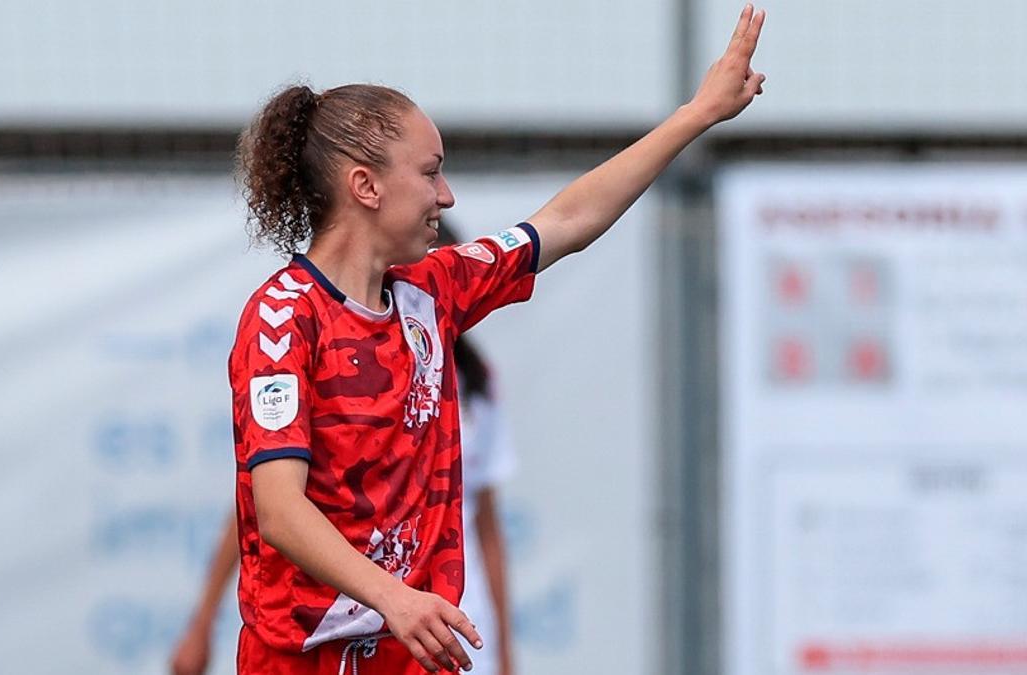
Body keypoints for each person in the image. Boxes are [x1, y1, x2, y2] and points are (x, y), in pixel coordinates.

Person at [227, 7, 765, 674]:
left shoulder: (434, 289)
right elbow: (279, 508)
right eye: (429, 172)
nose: (446, 196)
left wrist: (697, 114)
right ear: (364, 186)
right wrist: (393, 596)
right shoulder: (282, 319)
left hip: (412, 652)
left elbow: (566, 219)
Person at [171, 224, 520, 674]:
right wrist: (204, 617)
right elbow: (269, 510)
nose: (443, 195)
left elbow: (487, 523)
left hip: (453, 627)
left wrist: (506, 646)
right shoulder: (311, 338)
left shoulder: (474, 384)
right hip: (364, 625)